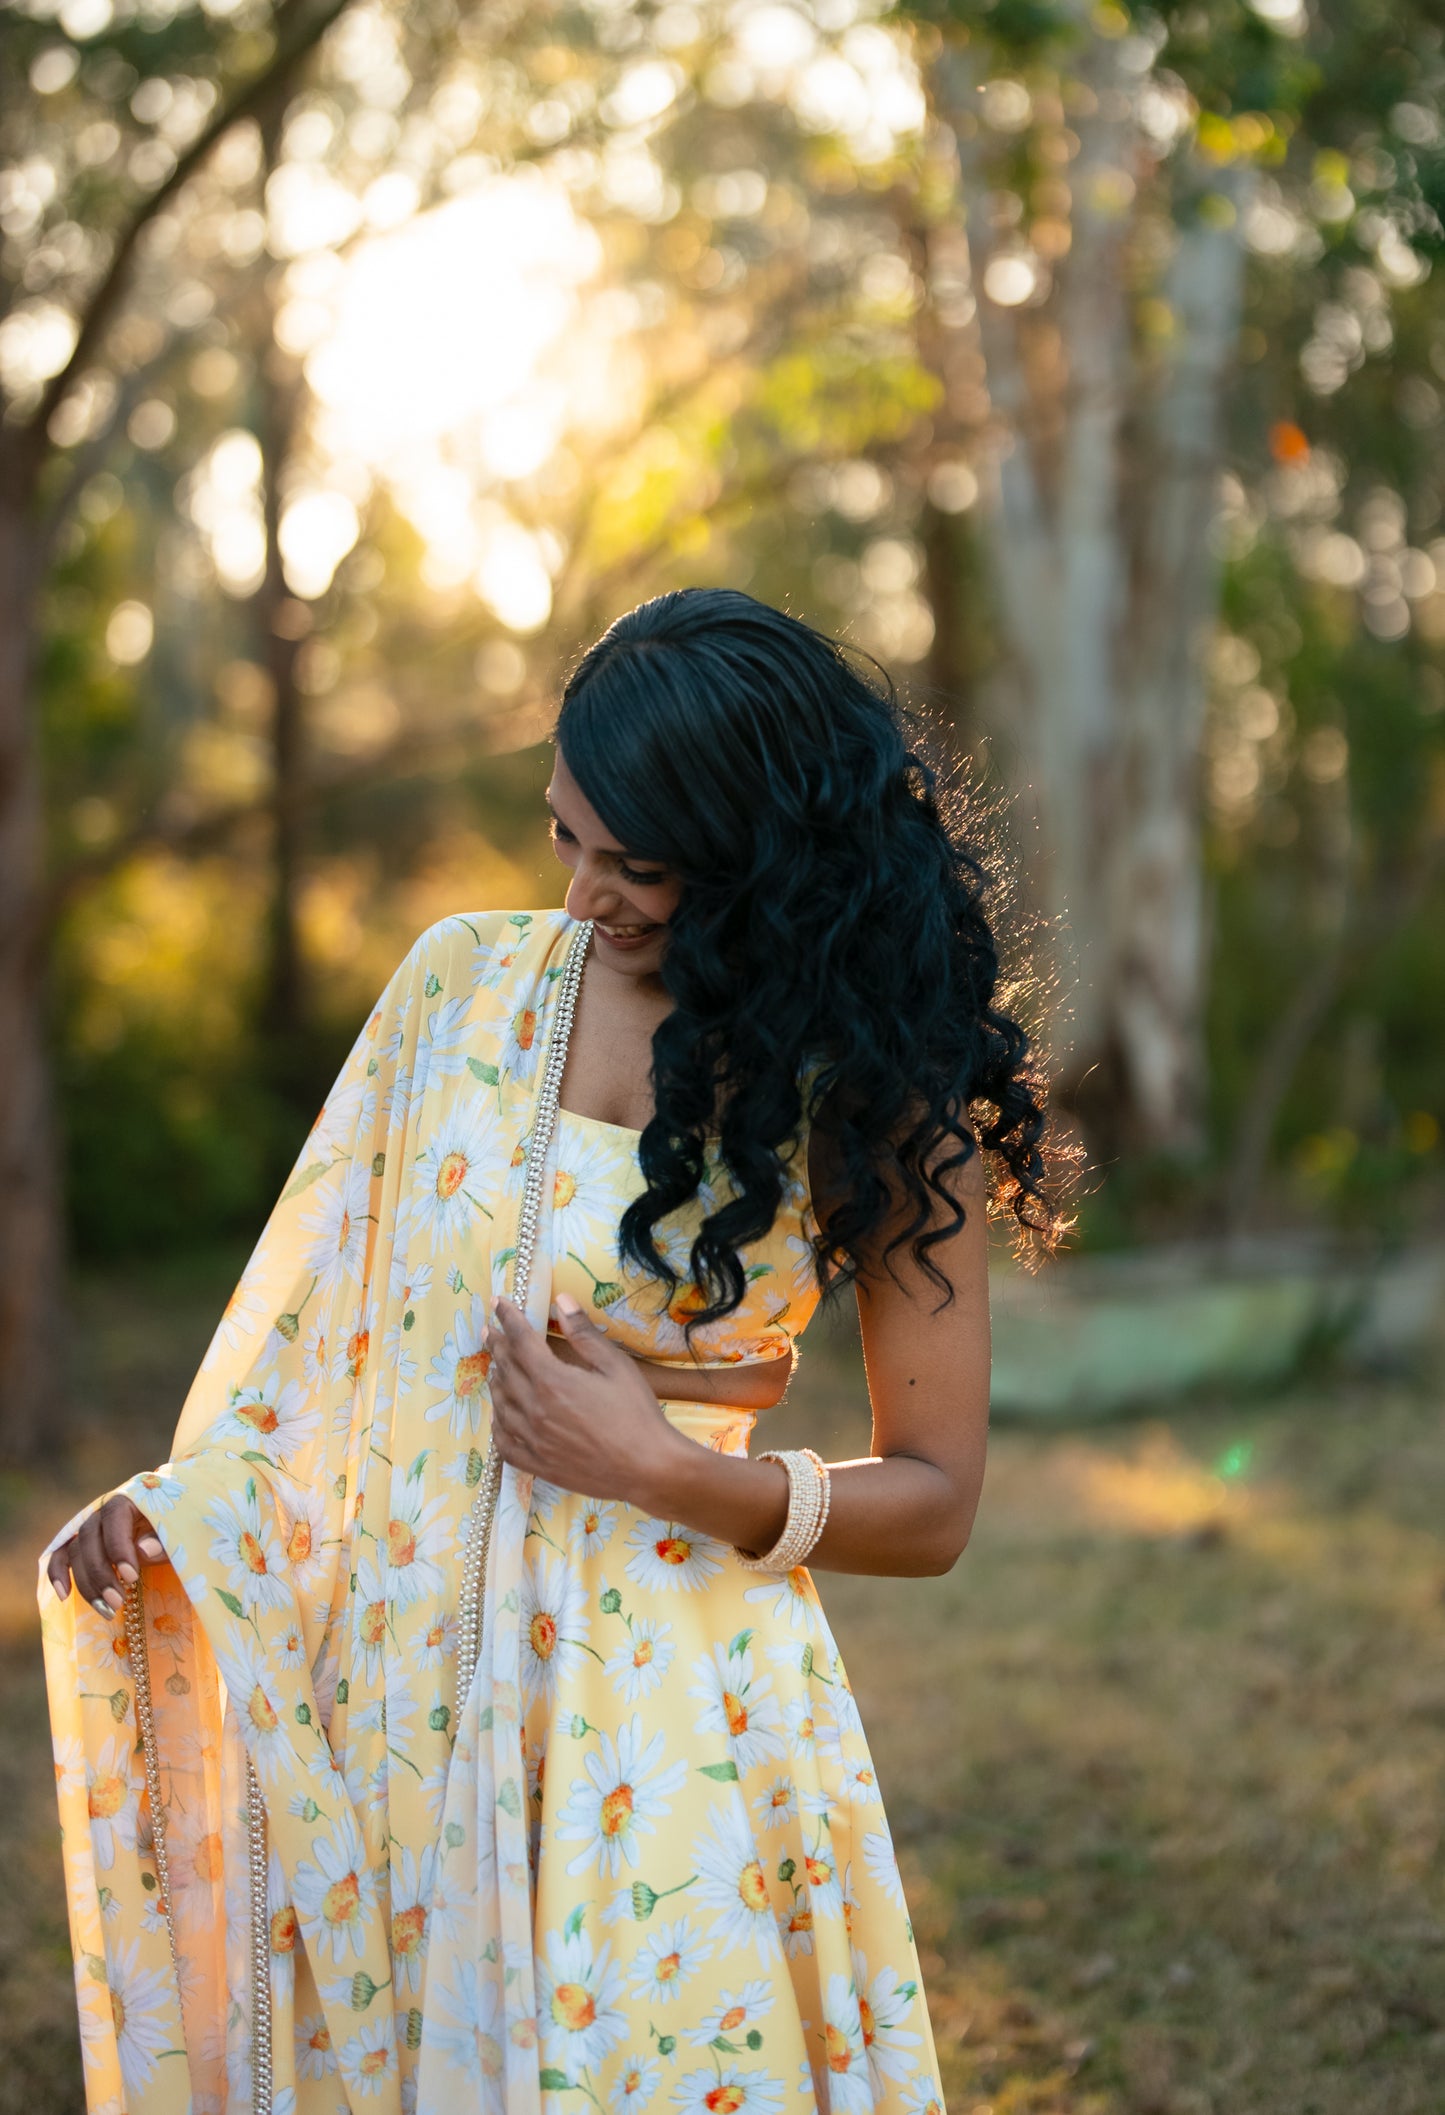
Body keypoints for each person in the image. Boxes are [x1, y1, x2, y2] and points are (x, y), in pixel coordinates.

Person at [41, 588, 1056, 2115]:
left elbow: (936, 1500)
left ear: (763, 854)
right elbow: (319, 1359)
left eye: (637, 864)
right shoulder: (459, 989)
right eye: (565, 837)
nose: (584, 895)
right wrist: (179, 1509)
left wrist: (663, 1469)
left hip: (664, 1727)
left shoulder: (871, 1087)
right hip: (408, 1697)